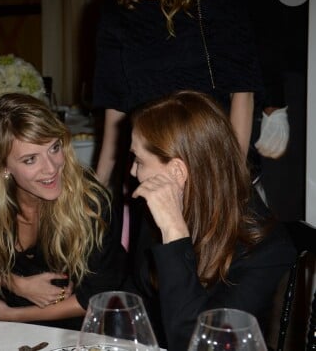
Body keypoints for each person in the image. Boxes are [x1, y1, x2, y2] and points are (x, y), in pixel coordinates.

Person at [124, 91, 296, 351]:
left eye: (138, 160)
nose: (133, 172)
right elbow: (136, 293)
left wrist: (174, 233)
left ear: (177, 172)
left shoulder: (266, 250)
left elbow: (197, 344)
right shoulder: (160, 209)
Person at [0, 93, 125, 330]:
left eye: (54, 148)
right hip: (1, 325)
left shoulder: (92, 204)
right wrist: (16, 284)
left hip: (75, 330)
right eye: (30, 159)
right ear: (3, 167)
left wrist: (8, 315)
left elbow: (95, 297)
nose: (51, 168)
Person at [92, 0, 265, 187]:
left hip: (211, 163)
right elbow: (115, 106)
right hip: (153, 173)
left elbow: (243, 91)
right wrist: (100, 184)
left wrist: (232, 177)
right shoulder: (115, 12)